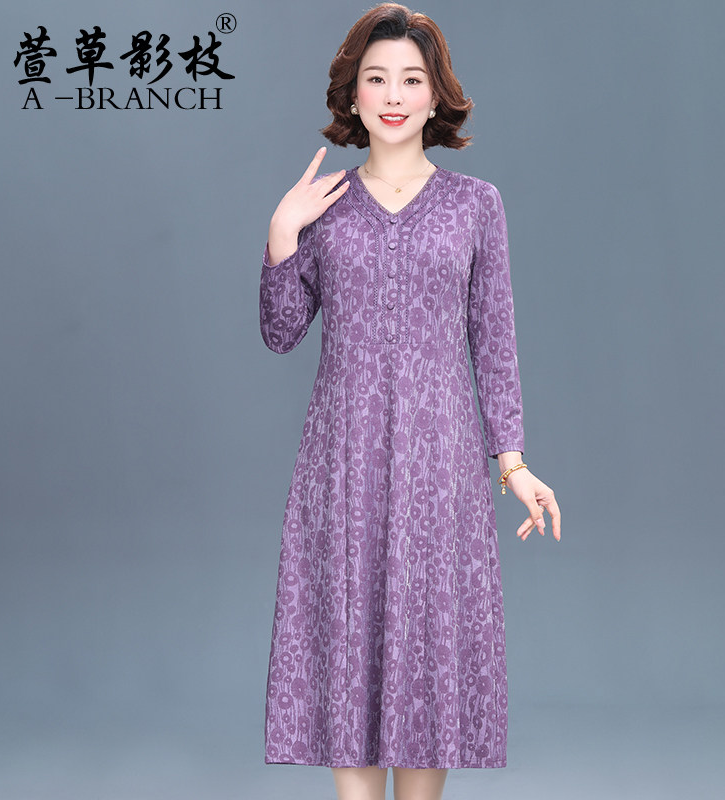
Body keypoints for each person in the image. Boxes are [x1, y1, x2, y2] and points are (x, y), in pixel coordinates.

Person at [259, 4, 561, 799]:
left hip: (441, 472)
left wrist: (514, 463)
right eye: (376, 78)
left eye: (411, 80)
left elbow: (494, 341)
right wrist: (283, 233)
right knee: (346, 647)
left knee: (432, 653)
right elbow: (281, 332)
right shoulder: (324, 207)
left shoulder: (475, 204)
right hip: (343, 465)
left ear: (436, 96)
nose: (393, 95)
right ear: (353, 95)